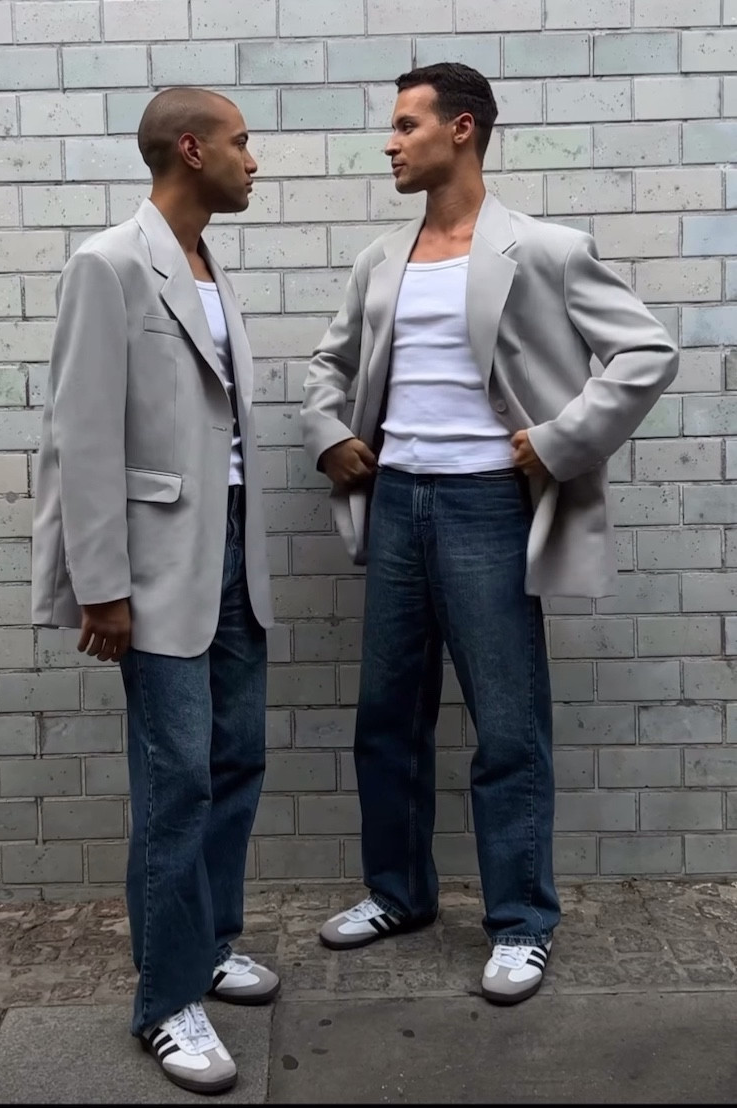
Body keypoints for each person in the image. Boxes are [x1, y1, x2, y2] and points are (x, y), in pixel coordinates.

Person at [299, 62, 678, 1006]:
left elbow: (646, 351)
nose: (390, 142)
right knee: (387, 718)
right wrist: (332, 434)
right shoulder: (383, 257)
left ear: (461, 129)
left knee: (509, 726)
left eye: (405, 125)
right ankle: (400, 894)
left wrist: (556, 442)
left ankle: (520, 922)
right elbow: (328, 363)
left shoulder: (543, 249)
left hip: (486, 510)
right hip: (397, 505)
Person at [30, 87, 277, 1094]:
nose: (253, 161)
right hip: (153, 563)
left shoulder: (208, 262)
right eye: (242, 143)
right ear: (191, 148)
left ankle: (209, 941)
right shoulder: (109, 262)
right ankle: (166, 999)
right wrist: (101, 586)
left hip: (230, 551)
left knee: (233, 758)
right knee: (174, 780)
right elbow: (80, 432)